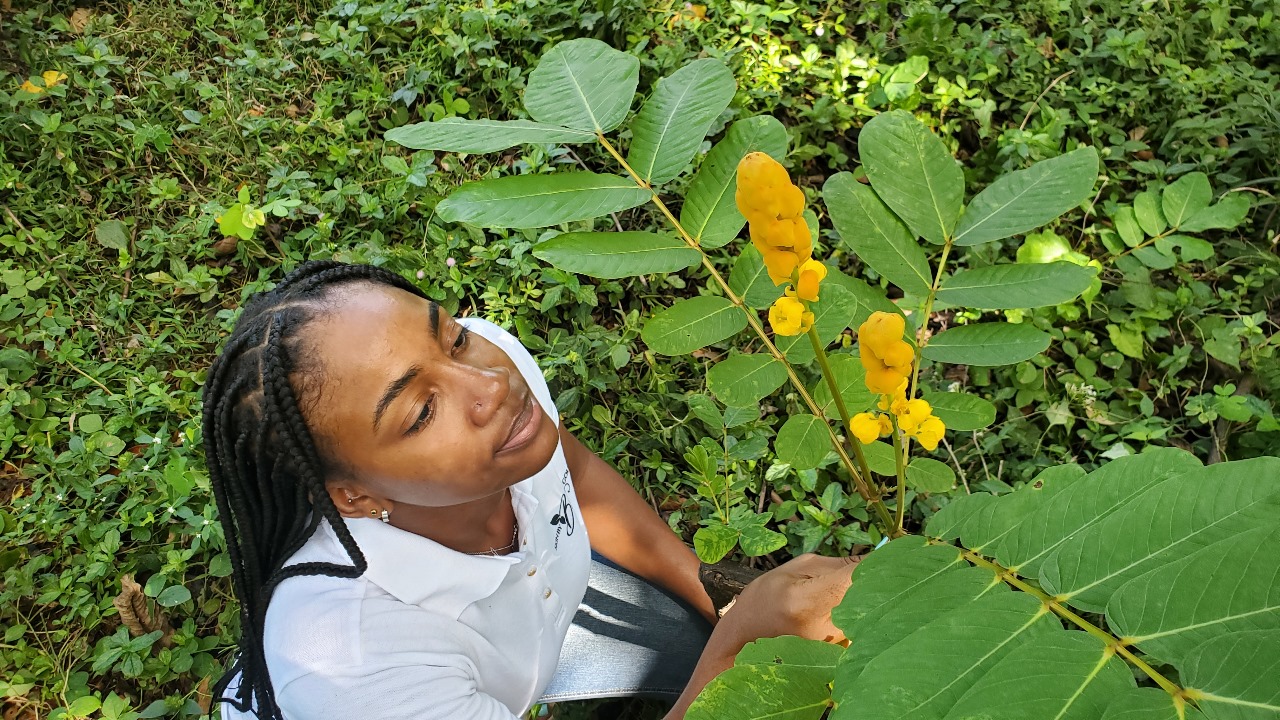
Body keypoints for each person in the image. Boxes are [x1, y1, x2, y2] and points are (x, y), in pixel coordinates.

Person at [202, 260, 857, 720]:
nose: (491, 384)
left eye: (451, 336)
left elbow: (577, 469)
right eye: (421, 413)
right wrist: (738, 643)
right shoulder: (350, 666)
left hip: (536, 643)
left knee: (693, 636)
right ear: (351, 497)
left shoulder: (489, 373)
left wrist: (715, 601)